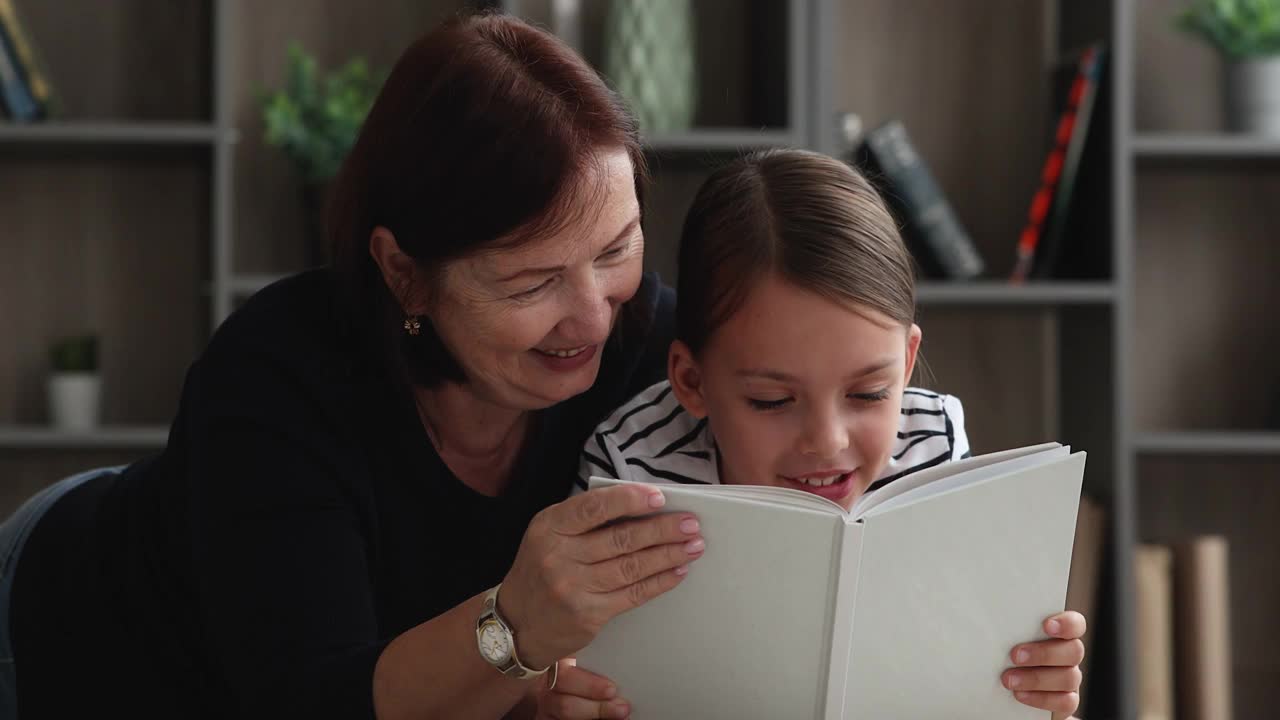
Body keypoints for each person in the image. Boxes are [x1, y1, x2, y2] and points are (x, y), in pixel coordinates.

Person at [0, 13, 708, 719]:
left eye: (616, 250)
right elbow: (312, 701)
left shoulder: (660, 347)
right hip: (80, 634)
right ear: (404, 272)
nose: (594, 316)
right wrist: (517, 630)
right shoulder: (276, 373)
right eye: (531, 283)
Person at [536, 150, 1086, 720]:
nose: (825, 441)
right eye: (772, 401)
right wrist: (566, 699)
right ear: (691, 380)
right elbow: (575, 660)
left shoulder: (933, 444)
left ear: (907, 359)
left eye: (870, 393)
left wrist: (1030, 688)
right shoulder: (630, 464)